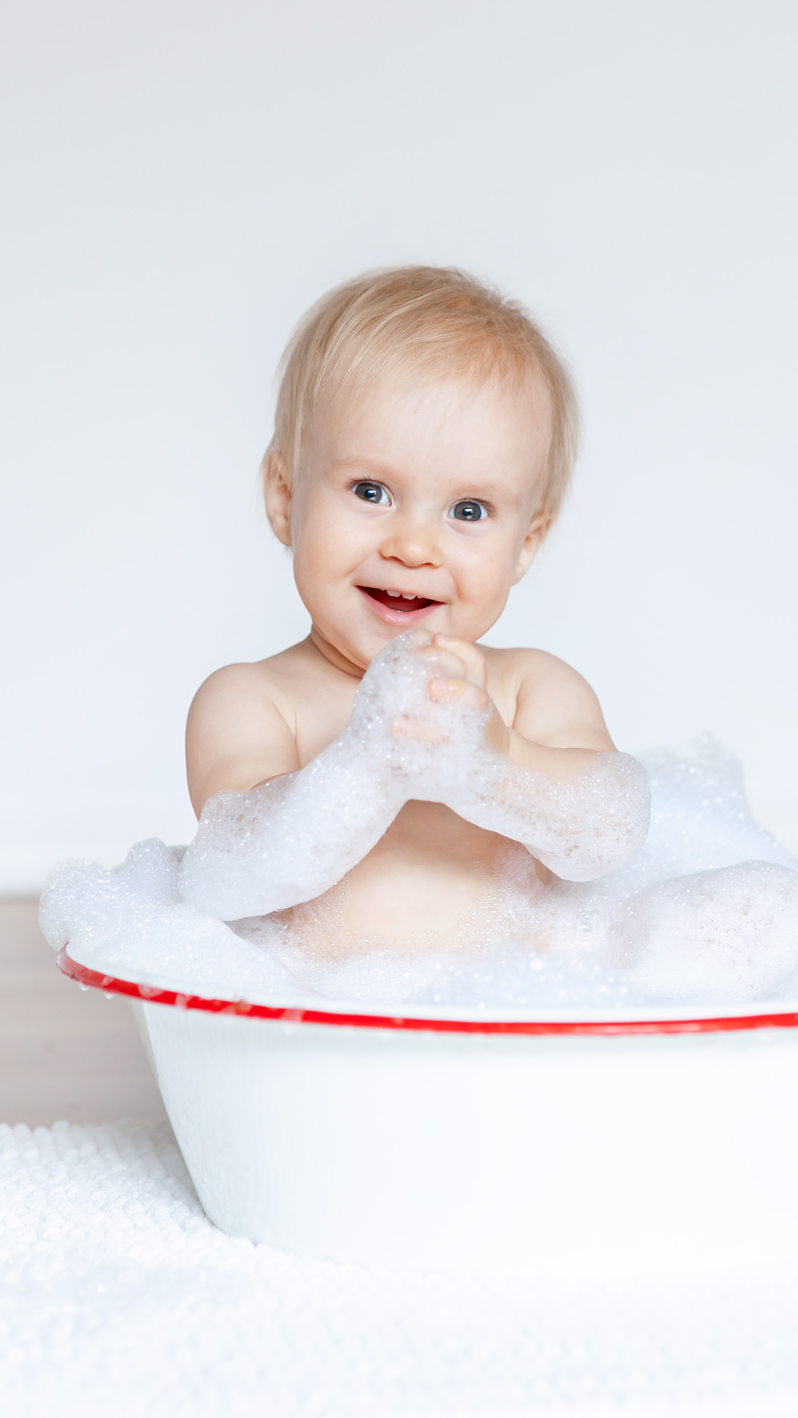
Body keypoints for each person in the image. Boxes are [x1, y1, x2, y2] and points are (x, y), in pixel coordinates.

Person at [178, 267, 649, 957]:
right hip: (320, 1025)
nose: (413, 546)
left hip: (522, 1012)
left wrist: (494, 761)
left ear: (526, 544)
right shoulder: (252, 699)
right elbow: (236, 869)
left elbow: (607, 834)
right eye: (371, 491)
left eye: (468, 510)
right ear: (285, 498)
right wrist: (368, 764)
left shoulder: (525, 691)